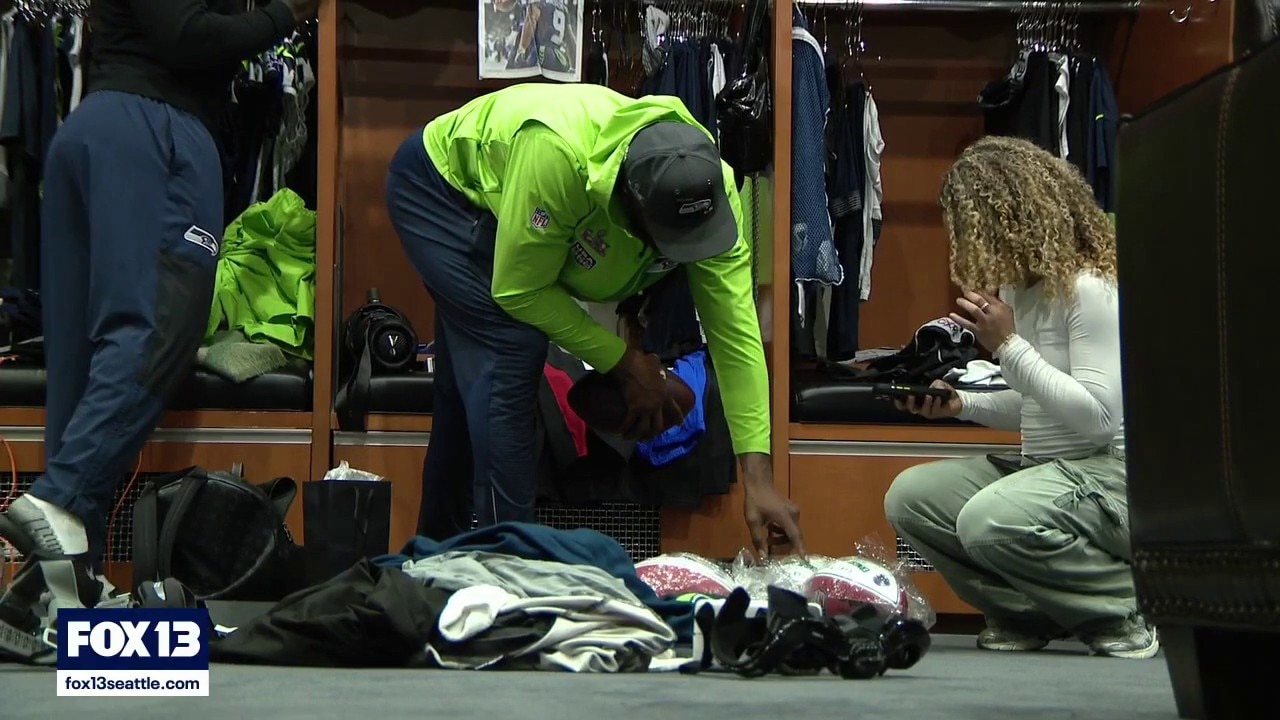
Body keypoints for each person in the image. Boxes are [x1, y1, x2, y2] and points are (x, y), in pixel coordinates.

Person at [384, 83, 804, 558]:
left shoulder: (708, 191)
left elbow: (735, 334)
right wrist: (623, 362)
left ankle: (434, 560)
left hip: (509, 201)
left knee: (464, 400)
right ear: (628, 206)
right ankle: (507, 568)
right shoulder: (559, 159)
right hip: (443, 190)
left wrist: (758, 476)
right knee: (510, 352)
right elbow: (520, 290)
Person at [0, 1, 318, 578]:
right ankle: (62, 497)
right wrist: (286, 15)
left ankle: (61, 581)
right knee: (157, 327)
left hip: (96, 129)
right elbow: (186, 35)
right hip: (155, 133)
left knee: (81, 355)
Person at [883, 136, 1157, 659]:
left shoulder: (1089, 289)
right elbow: (1036, 403)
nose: (973, 242)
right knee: (910, 498)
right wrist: (962, 404)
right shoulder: (1017, 293)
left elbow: (1099, 419)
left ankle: (1129, 605)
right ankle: (1029, 613)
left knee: (988, 519)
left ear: (1020, 219)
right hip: (1050, 471)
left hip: (1112, 478)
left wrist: (1008, 345)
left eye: (978, 226)